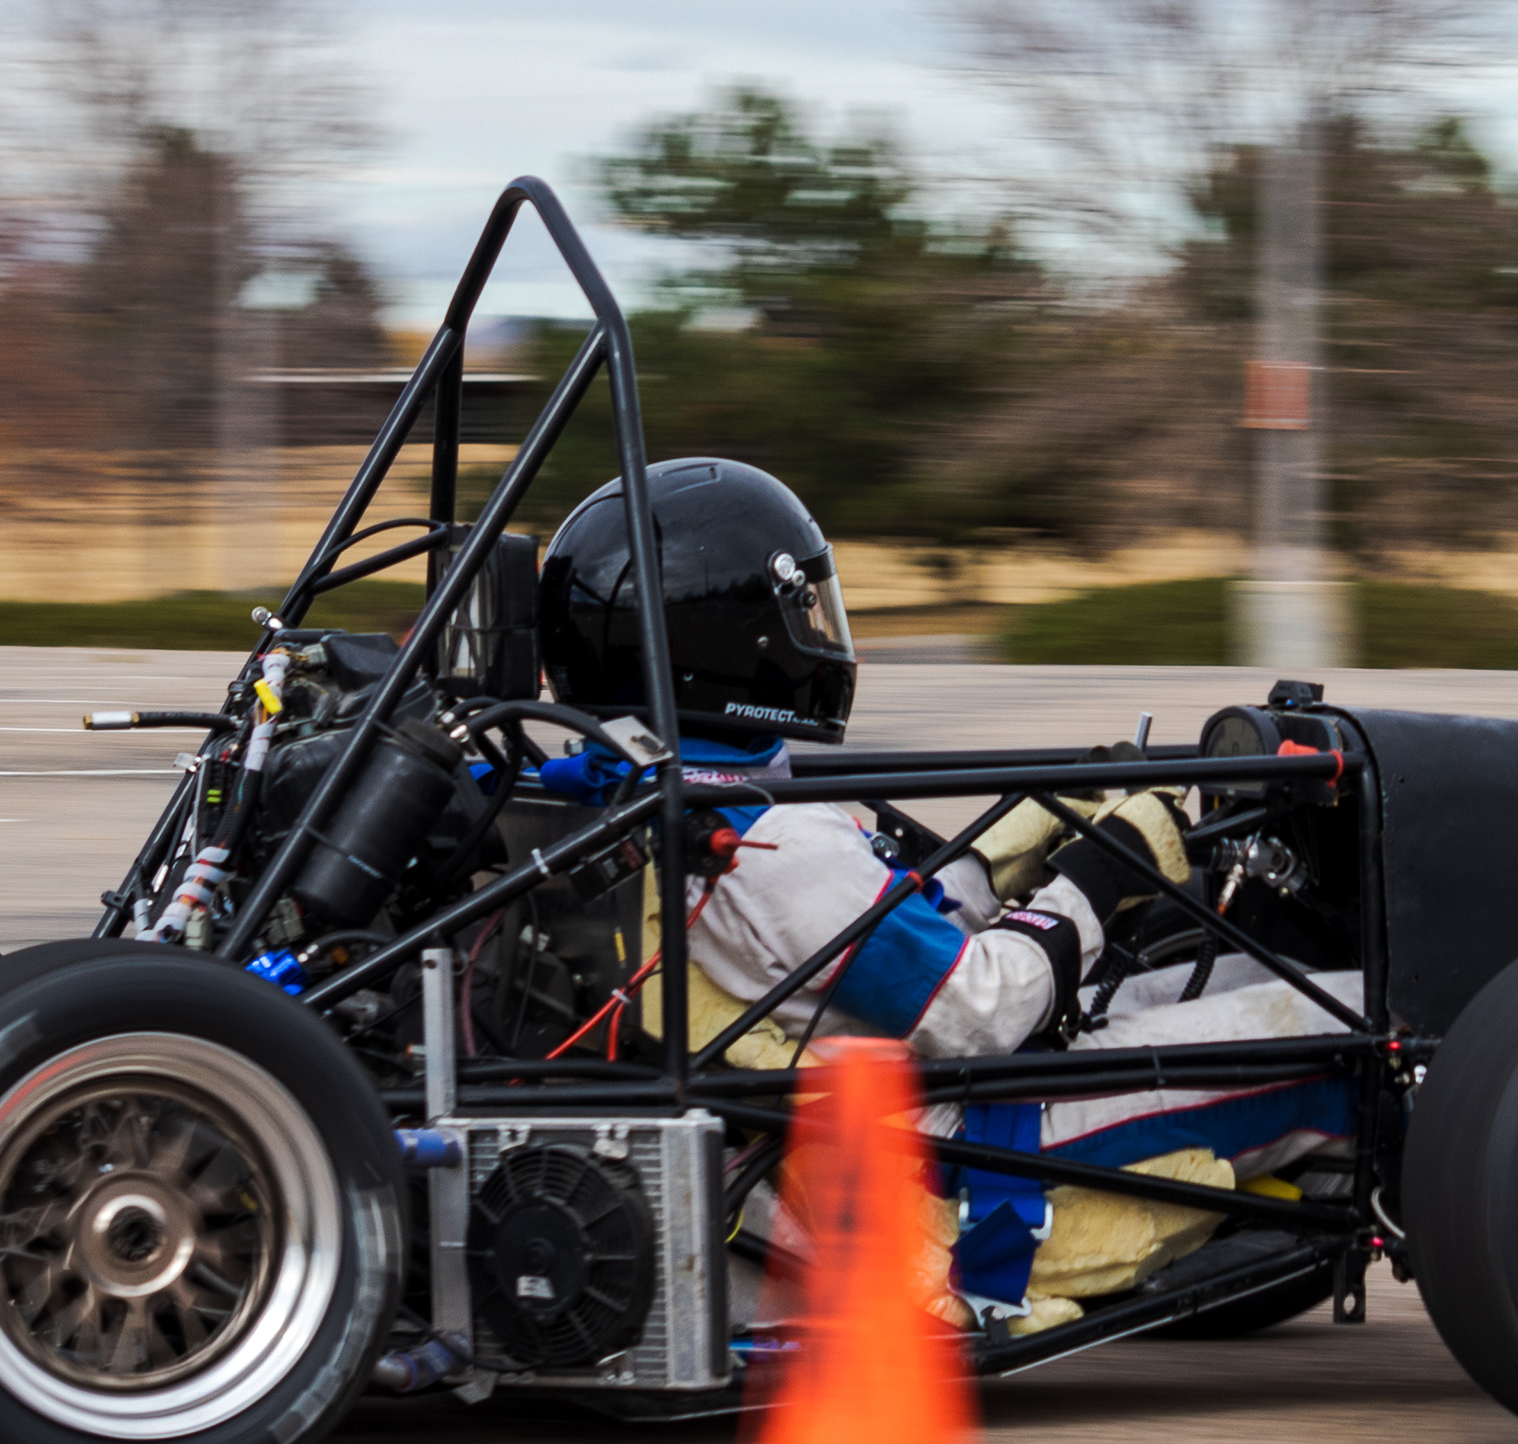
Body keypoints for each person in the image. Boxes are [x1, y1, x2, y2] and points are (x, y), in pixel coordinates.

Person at [536, 459, 1356, 1324]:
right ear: (734, 644)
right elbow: (982, 1007)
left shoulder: (644, 799)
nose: (819, 634)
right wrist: (1101, 868)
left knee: (1251, 983)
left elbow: (871, 946)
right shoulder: (770, 845)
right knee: (1355, 1029)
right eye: (800, 611)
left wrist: (1010, 849)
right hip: (978, 1139)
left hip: (916, 1086)